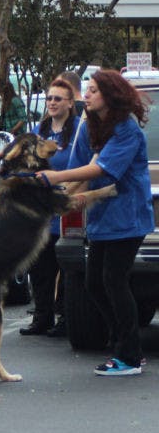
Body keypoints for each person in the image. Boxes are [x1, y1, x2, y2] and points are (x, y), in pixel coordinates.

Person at [38, 70, 152, 376]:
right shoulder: (91, 126)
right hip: (102, 220)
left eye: (93, 91)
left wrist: (56, 177)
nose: (85, 95)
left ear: (111, 96)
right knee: (94, 283)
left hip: (128, 217)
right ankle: (126, 345)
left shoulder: (126, 129)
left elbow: (102, 169)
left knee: (114, 281)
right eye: (86, 90)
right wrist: (63, 198)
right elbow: (80, 167)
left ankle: (128, 355)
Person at [19, 78, 79, 337]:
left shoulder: (79, 130)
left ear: (70, 103)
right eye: (49, 98)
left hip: (67, 208)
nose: (52, 103)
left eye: (58, 99)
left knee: (67, 268)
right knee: (40, 268)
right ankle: (42, 317)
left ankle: (67, 316)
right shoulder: (38, 129)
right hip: (40, 211)